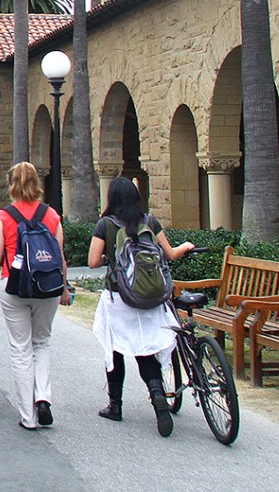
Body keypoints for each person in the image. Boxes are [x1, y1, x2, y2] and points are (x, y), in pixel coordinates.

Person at [88, 176, 195, 436]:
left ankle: (115, 405)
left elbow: (92, 262)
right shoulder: (150, 221)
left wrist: (110, 258)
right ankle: (157, 392)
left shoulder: (106, 225)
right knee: (145, 350)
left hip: (119, 298)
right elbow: (169, 254)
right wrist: (185, 246)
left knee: (115, 350)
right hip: (150, 299)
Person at [0, 162, 71, 431]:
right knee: (42, 342)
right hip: (47, 287)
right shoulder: (51, 215)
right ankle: (43, 397)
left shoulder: (3, 216)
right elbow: (59, 257)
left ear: (11, 184)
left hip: (14, 287)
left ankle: (28, 416)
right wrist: (65, 288)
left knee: (20, 348)